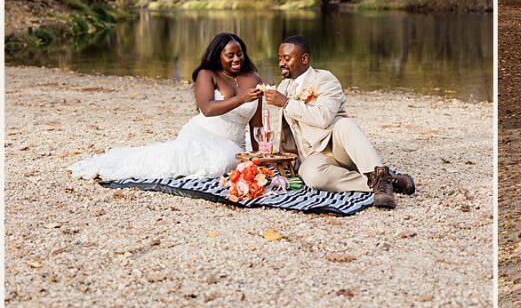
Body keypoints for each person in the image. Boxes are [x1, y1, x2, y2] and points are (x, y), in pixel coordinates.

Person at [70, 33, 265, 181]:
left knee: (231, 159)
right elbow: (207, 108)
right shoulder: (207, 74)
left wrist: (258, 157)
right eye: (230, 55)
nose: (236, 59)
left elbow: (257, 124)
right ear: (218, 56)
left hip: (234, 142)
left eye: (240, 54)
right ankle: (118, 164)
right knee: (199, 160)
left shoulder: (254, 78)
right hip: (203, 133)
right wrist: (241, 99)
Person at [262, 36, 415, 208]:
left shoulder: (325, 80)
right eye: (280, 58)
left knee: (345, 124)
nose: (281, 63)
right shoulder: (284, 87)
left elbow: (323, 117)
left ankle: (379, 176)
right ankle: (384, 183)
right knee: (311, 176)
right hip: (313, 155)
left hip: (339, 146)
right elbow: (268, 99)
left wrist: (286, 103)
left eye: (287, 58)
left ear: (304, 59)